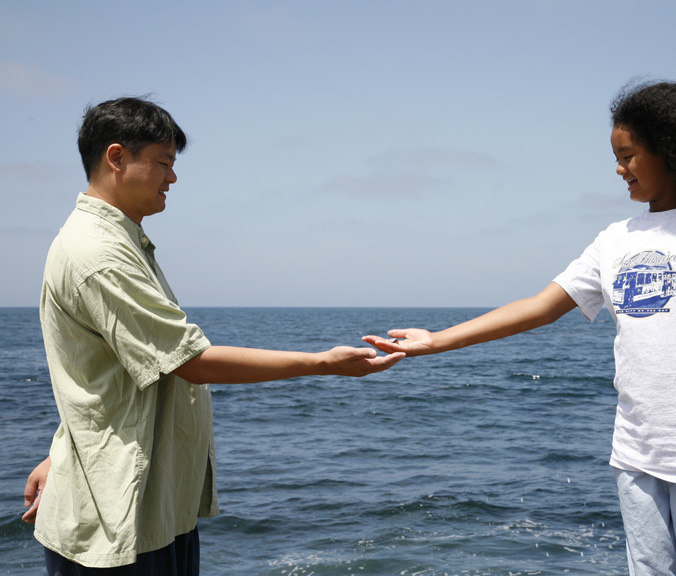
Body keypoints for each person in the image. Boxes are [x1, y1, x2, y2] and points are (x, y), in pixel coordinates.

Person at [364, 80, 676, 575]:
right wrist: (437, 341)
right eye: (617, 157)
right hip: (636, 458)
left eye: (628, 156)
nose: (618, 168)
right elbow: (540, 307)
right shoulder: (615, 239)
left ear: (671, 150)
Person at [22, 96, 404, 575]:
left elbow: (96, 373)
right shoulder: (99, 255)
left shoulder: (119, 242)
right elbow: (191, 361)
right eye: (163, 163)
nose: (172, 178)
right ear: (116, 157)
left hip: (149, 506)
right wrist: (322, 363)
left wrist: (62, 451)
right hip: (119, 519)